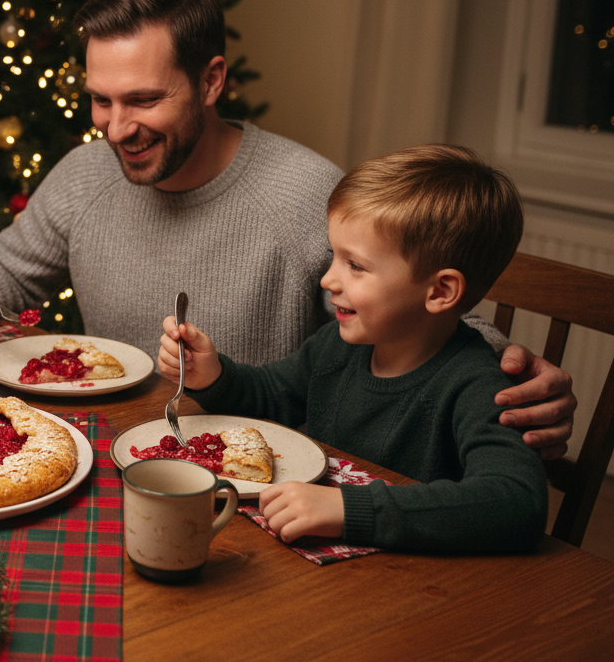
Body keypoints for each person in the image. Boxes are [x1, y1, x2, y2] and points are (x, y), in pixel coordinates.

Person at [0, 0, 576, 458]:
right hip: (109, 449)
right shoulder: (85, 174)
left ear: (210, 81)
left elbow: (415, 312)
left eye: (143, 99)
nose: (116, 129)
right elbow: (0, 274)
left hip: (257, 481)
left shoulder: (302, 192)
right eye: (101, 100)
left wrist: (509, 369)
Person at [157, 144, 548, 552]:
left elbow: (517, 502)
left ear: (441, 291)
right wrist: (214, 374)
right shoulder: (336, 346)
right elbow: (272, 395)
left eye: (356, 265)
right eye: (334, 257)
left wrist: (350, 508)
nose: (329, 280)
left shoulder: (479, 386)